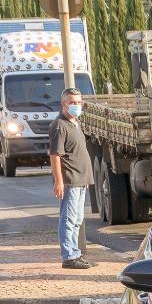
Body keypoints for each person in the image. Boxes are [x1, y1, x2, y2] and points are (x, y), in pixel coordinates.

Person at [49, 87, 94, 270]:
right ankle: (68, 256)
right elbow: (55, 155)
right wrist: (59, 181)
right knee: (68, 219)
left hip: (81, 180)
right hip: (70, 180)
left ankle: (75, 253)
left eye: (78, 102)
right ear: (63, 104)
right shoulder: (59, 125)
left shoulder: (75, 123)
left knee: (77, 219)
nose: (76, 106)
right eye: (72, 103)